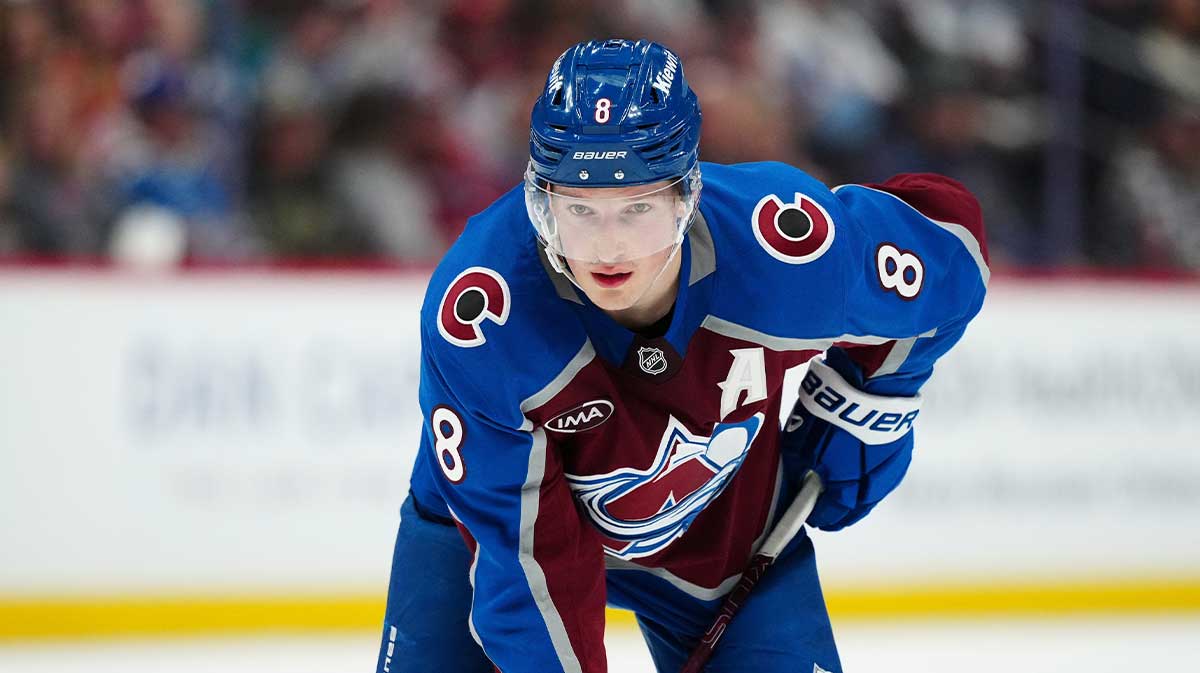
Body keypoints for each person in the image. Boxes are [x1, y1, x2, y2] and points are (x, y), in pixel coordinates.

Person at [375, 39, 988, 673]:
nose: (606, 250)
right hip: (488, 540)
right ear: (542, 202)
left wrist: (868, 399)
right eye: (578, 210)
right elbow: (527, 569)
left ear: (685, 195)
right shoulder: (483, 314)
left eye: (637, 207)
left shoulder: (783, 250)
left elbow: (952, 254)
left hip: (716, 542)